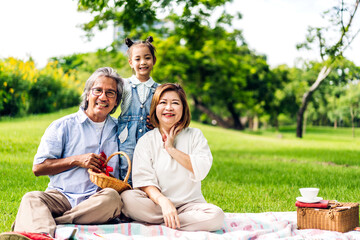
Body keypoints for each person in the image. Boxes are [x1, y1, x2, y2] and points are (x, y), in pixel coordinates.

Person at [0, 67, 124, 239]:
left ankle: (46, 222)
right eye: (98, 90)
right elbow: (38, 168)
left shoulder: (120, 129)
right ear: (88, 94)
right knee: (31, 198)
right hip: (61, 196)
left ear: (116, 101)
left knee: (113, 198)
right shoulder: (63, 126)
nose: (103, 97)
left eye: (110, 93)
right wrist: (75, 160)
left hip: (97, 200)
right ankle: (42, 233)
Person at [121, 83, 225, 231]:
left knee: (216, 216)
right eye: (163, 103)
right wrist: (164, 202)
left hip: (190, 207)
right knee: (128, 198)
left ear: (183, 108)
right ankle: (172, 220)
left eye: (175, 103)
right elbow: (144, 180)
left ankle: (165, 223)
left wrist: (171, 149)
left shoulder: (195, 135)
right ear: (155, 108)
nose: (169, 108)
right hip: (157, 205)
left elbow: (201, 169)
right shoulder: (146, 140)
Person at [118, 36, 159, 186]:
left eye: (147, 58)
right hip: (126, 135)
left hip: (150, 135)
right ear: (131, 63)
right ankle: (125, 197)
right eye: (137, 59)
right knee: (126, 165)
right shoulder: (124, 85)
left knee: (149, 166)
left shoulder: (159, 89)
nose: (142, 62)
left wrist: (158, 122)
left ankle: (146, 196)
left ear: (153, 60)